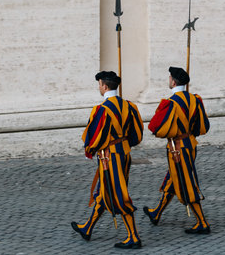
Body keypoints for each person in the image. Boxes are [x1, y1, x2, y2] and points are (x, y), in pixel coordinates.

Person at [71, 71, 144, 249]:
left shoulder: (101, 109)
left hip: (109, 157)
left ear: (104, 86)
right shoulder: (130, 106)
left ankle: (134, 237)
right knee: (105, 192)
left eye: (99, 84)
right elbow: (137, 135)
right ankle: (87, 228)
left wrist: (90, 149)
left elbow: (94, 136)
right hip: (124, 153)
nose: (99, 87)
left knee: (119, 194)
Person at [143, 66, 210, 234]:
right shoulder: (195, 99)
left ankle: (202, 222)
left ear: (173, 81)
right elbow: (203, 126)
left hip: (177, 148)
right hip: (191, 144)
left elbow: (156, 127)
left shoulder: (171, 103)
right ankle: (157, 213)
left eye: (169, 78)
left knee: (186, 182)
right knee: (174, 178)